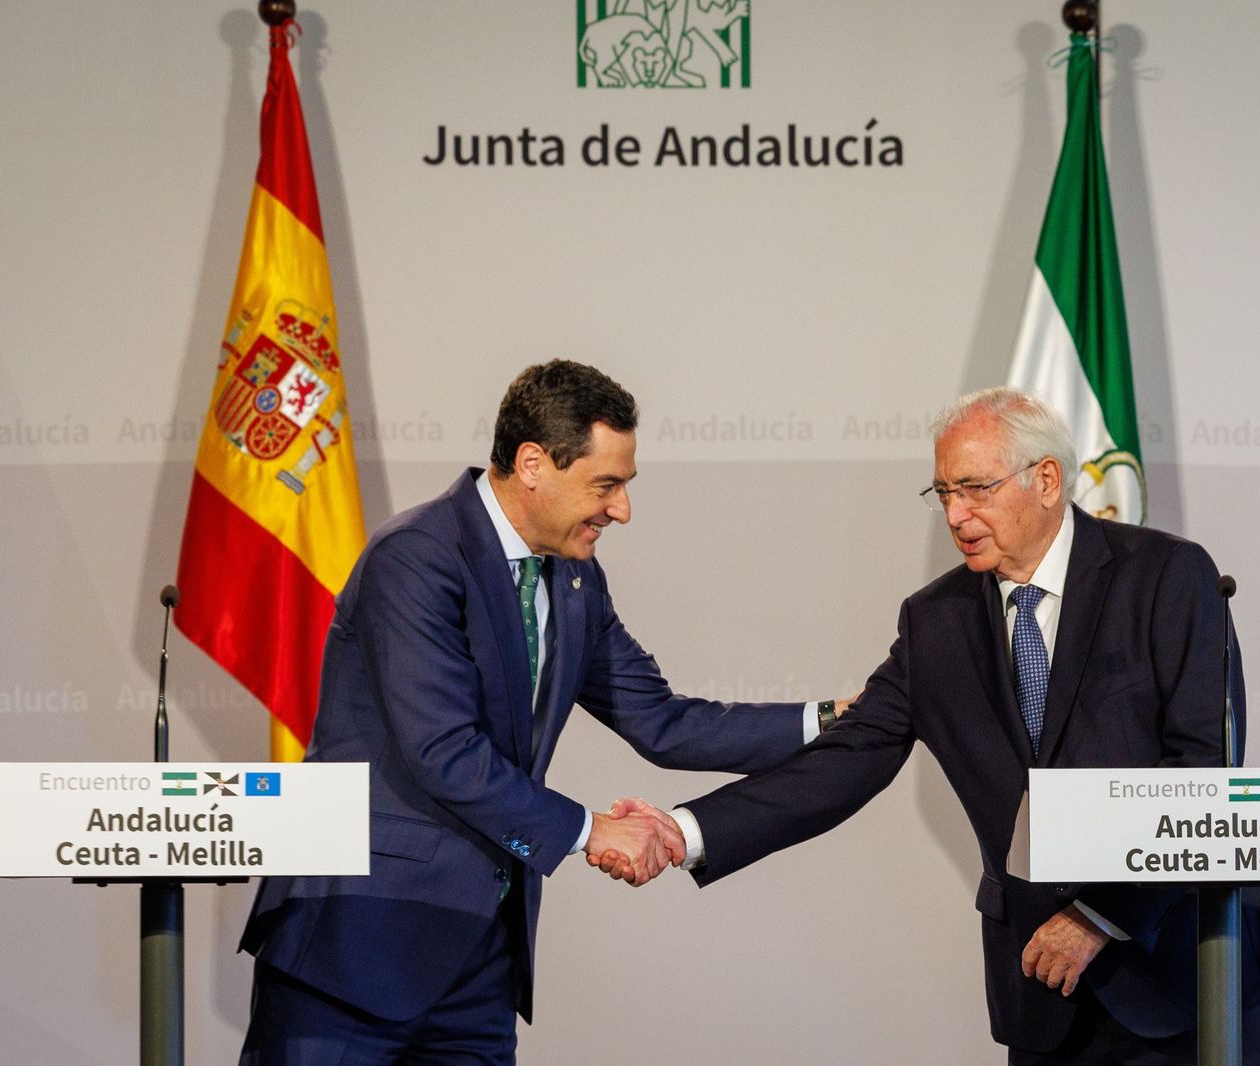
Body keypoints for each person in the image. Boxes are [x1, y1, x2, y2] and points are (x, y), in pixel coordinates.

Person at [600, 387, 1260, 1063]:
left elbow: (1203, 769)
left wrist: (1101, 914)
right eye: (944, 493)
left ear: (1047, 479)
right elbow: (845, 760)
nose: (957, 515)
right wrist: (684, 832)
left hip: (1189, 971)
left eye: (977, 488)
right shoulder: (936, 622)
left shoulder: (1167, 576)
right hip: (1044, 995)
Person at [238, 360, 845, 1064]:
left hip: (481, 966)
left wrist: (832, 720)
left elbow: (663, 719)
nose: (621, 510)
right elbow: (444, 753)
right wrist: (591, 831)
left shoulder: (576, 579)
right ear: (533, 464)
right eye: (606, 484)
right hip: (354, 948)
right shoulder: (416, 558)